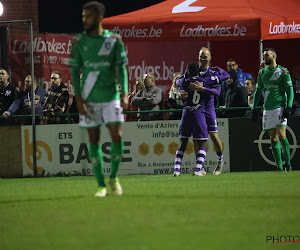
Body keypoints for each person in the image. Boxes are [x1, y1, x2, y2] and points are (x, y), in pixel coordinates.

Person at [69, 1, 129, 197]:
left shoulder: (114, 40)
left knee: (117, 136)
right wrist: (78, 98)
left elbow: (121, 68)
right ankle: (101, 185)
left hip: (111, 96)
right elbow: (74, 70)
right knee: (94, 139)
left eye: (89, 16)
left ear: (99, 17)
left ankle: (114, 177)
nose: (84, 20)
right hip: (89, 98)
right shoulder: (78, 42)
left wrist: (125, 93)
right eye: (83, 16)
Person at [252, 48, 294, 171]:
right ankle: (279, 167)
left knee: (281, 135)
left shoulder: (283, 71)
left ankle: (288, 163)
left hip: (279, 107)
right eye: (263, 55)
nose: (264, 57)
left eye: (267, 55)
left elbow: (289, 90)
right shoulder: (262, 73)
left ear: (274, 56)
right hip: (267, 109)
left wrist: (289, 106)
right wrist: (254, 107)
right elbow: (258, 91)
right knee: (273, 138)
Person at [192, 47, 230, 175]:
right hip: (196, 108)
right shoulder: (193, 71)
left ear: (210, 58)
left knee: (213, 136)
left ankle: (220, 160)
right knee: (197, 139)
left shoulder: (214, 73)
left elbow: (217, 92)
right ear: (198, 57)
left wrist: (203, 89)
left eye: (205, 56)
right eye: (201, 56)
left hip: (208, 107)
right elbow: (183, 82)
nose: (203, 58)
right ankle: (200, 167)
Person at [173, 62, 208, 177]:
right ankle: (198, 169)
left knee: (183, 143)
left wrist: (179, 92)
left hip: (186, 113)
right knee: (202, 143)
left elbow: (177, 83)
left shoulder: (184, 81)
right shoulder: (204, 81)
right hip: (198, 114)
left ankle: (177, 170)